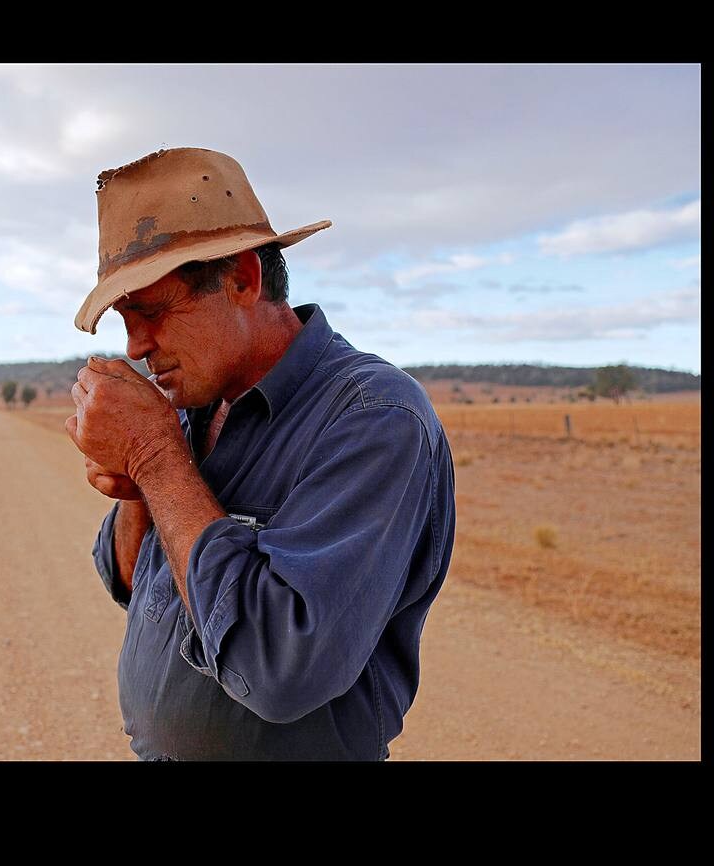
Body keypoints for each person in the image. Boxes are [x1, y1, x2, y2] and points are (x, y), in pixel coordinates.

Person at [65, 147, 456, 760]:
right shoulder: (195, 403)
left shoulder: (373, 417)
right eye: (123, 320)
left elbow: (280, 669)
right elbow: (127, 583)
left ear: (243, 279)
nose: (136, 346)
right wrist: (141, 488)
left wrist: (156, 457)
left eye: (152, 312)